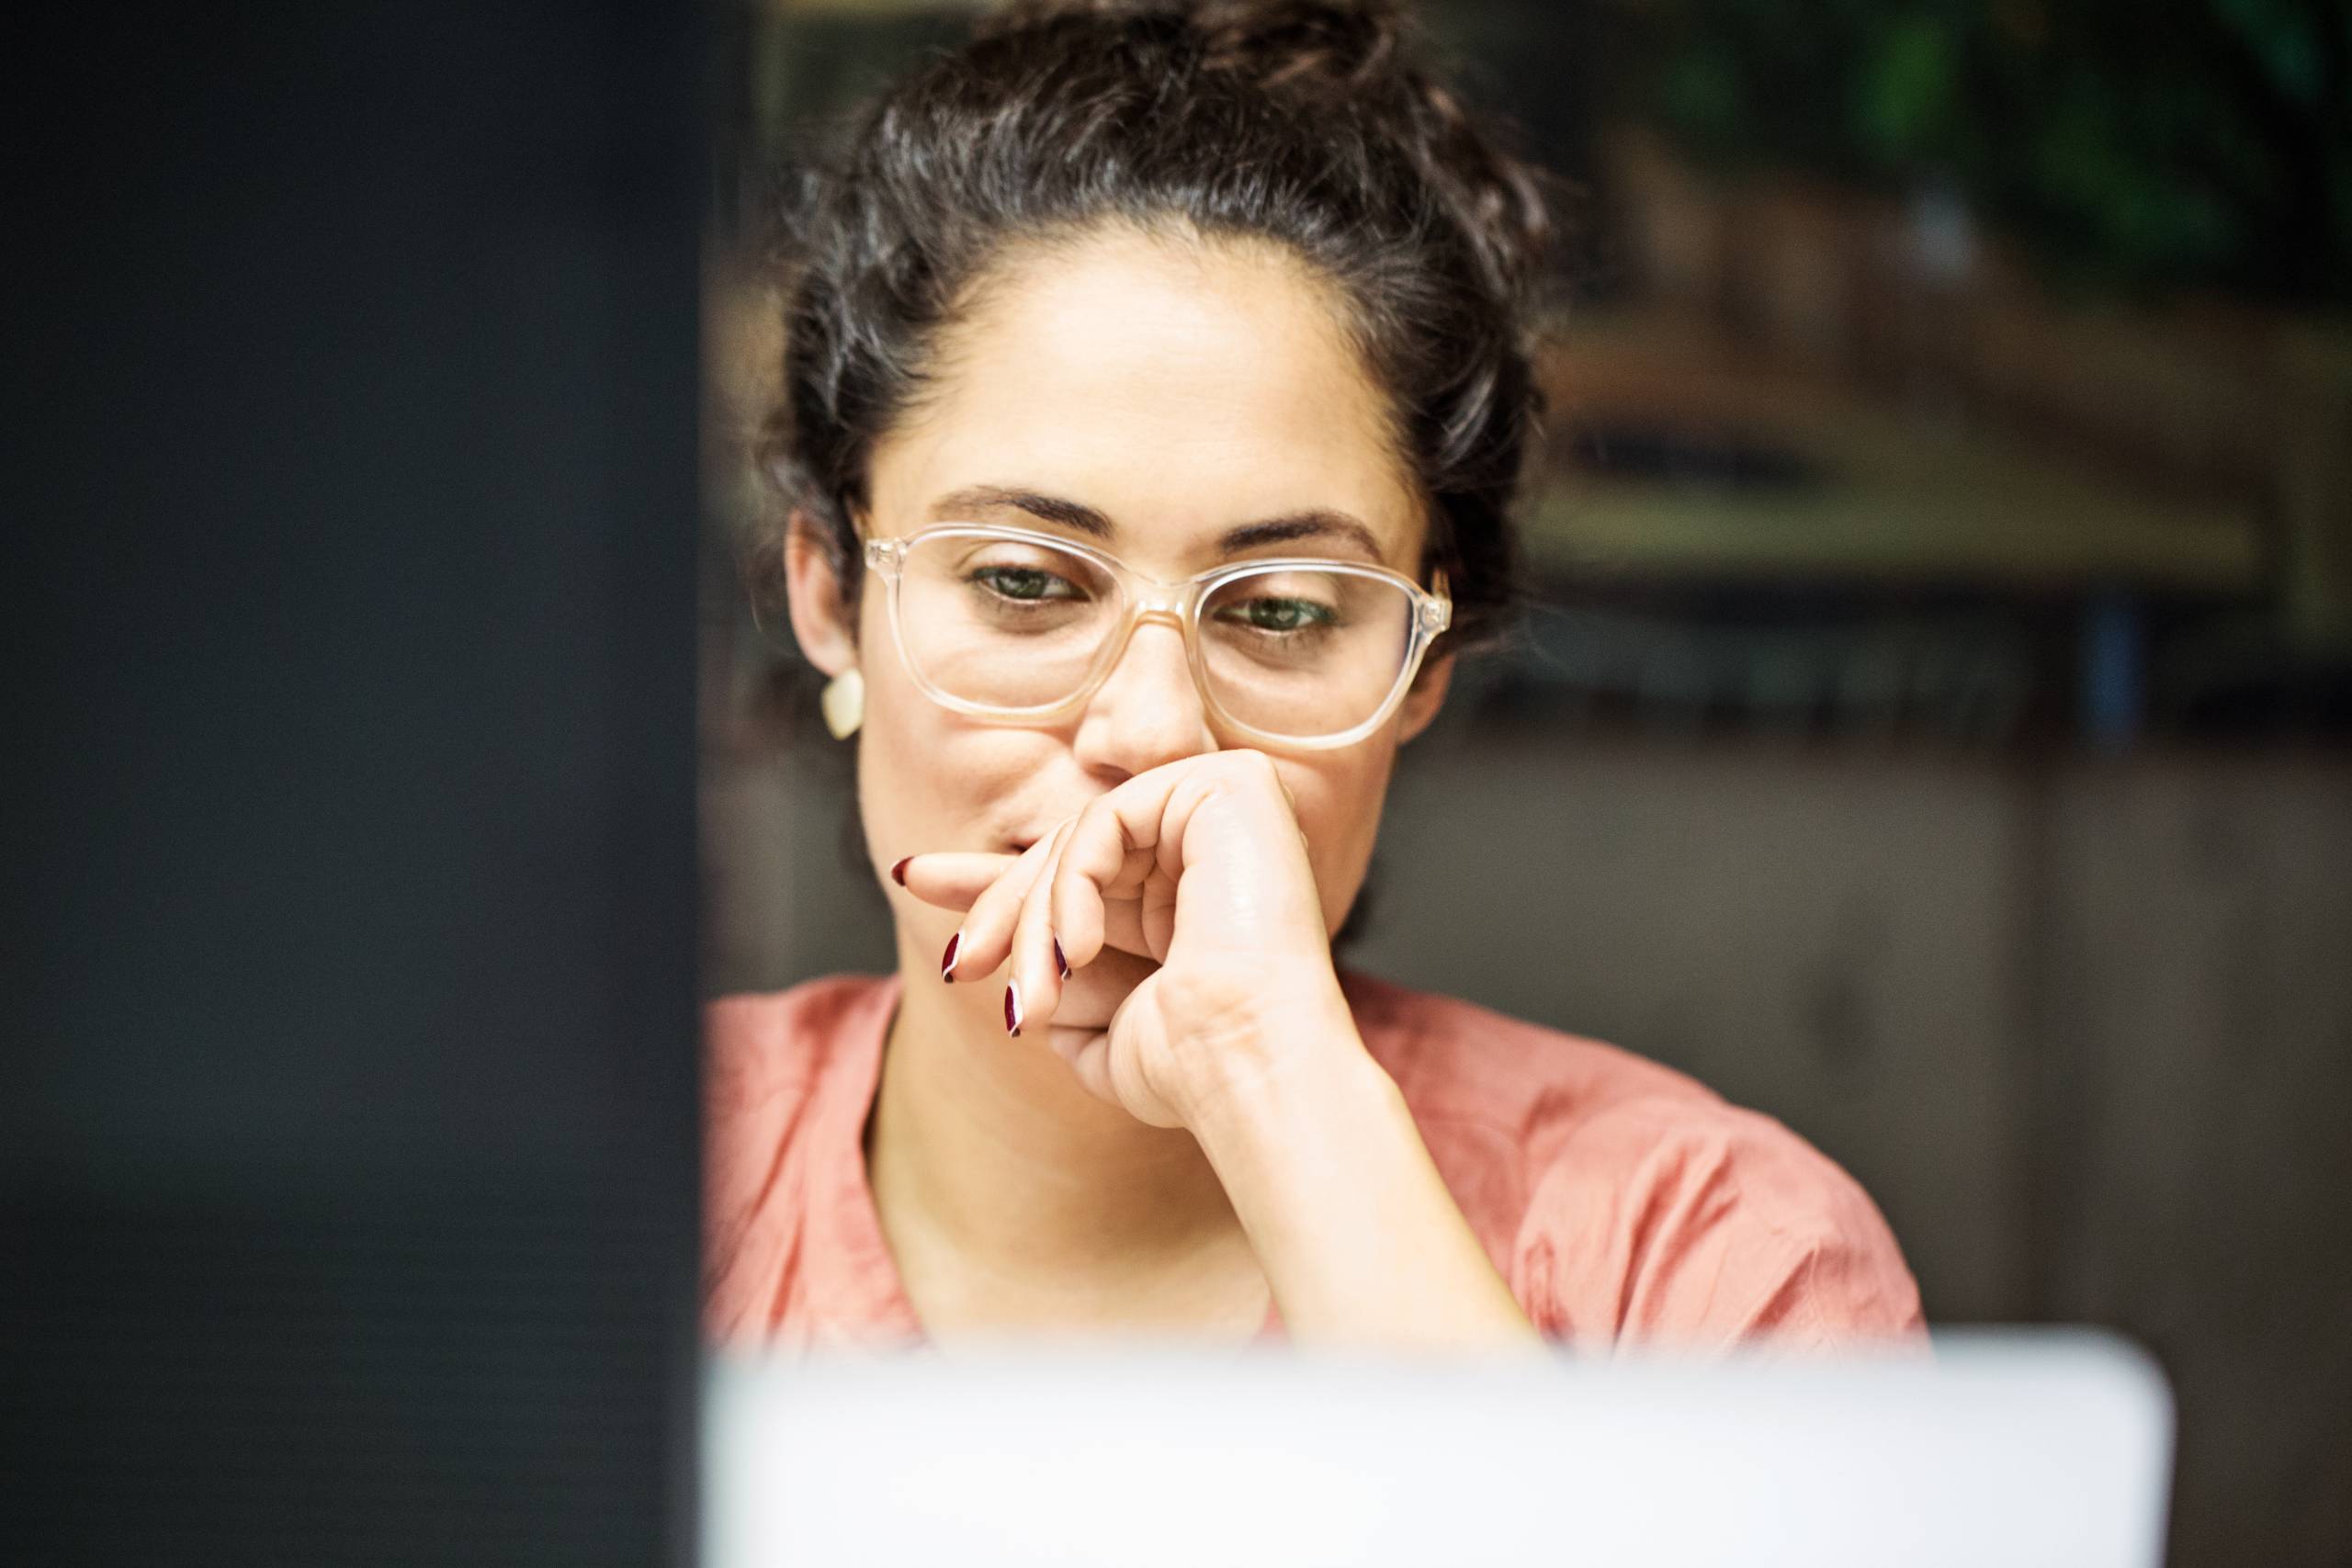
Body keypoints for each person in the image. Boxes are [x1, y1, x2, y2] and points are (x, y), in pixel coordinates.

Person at [707, 0, 1922, 1354]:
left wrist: (1271, 1085)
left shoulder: (1713, 1268)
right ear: (829, 592)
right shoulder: (599, 1204)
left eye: (1281, 612)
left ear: (1423, 665)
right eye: (1024, 583)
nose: (1153, 730)